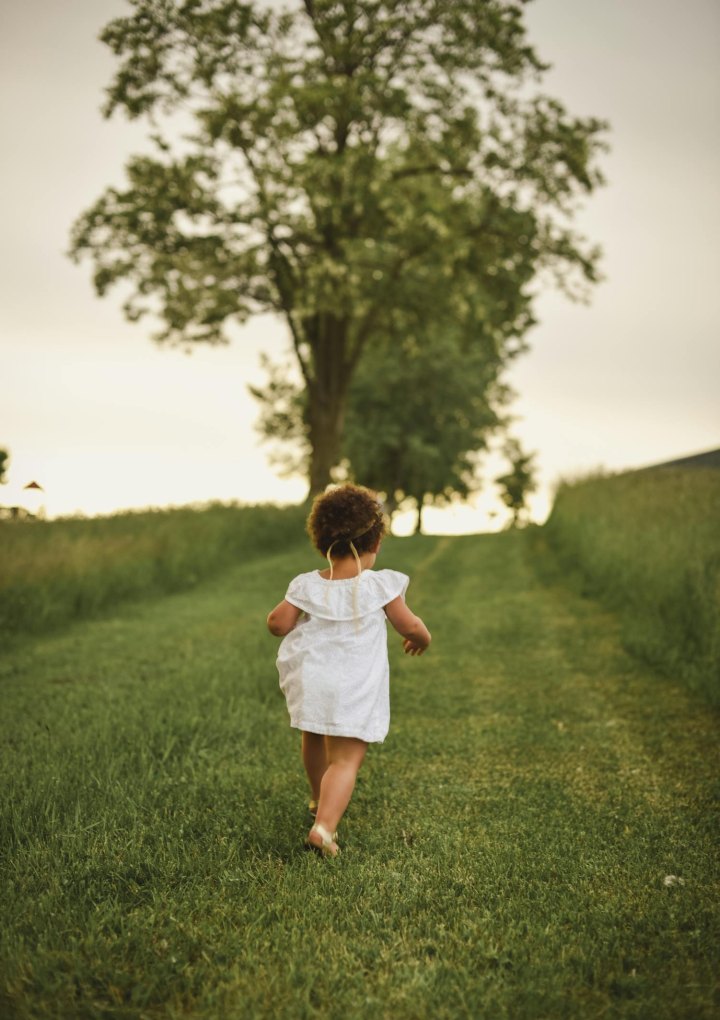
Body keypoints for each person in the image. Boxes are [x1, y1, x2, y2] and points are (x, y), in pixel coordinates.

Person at [266, 483, 431, 857]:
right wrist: (423, 639)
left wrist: (282, 618)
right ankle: (324, 828)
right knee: (345, 759)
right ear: (374, 543)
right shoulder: (380, 586)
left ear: (323, 541)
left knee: (313, 738)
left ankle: (316, 796)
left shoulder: (306, 585)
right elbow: (410, 626)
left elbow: (278, 623)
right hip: (353, 685)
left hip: (312, 681)